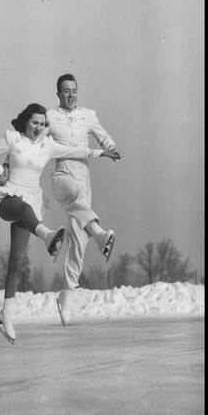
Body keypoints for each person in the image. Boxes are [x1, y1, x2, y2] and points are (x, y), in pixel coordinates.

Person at [0, 103, 118, 343]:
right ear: (26, 121)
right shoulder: (13, 139)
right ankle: (47, 236)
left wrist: (101, 152)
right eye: (35, 122)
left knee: (15, 263)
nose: (39, 127)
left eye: (43, 124)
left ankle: (6, 315)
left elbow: (75, 150)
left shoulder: (47, 145)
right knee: (23, 209)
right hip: (9, 199)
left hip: (32, 205)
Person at [46, 74, 121, 326]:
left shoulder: (88, 114)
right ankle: (99, 234)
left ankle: (67, 293)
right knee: (75, 198)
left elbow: (103, 135)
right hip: (62, 173)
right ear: (58, 93)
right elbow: (31, 138)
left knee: (78, 238)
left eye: (74, 90)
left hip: (83, 173)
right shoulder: (50, 116)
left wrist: (111, 147)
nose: (71, 94)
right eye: (66, 91)